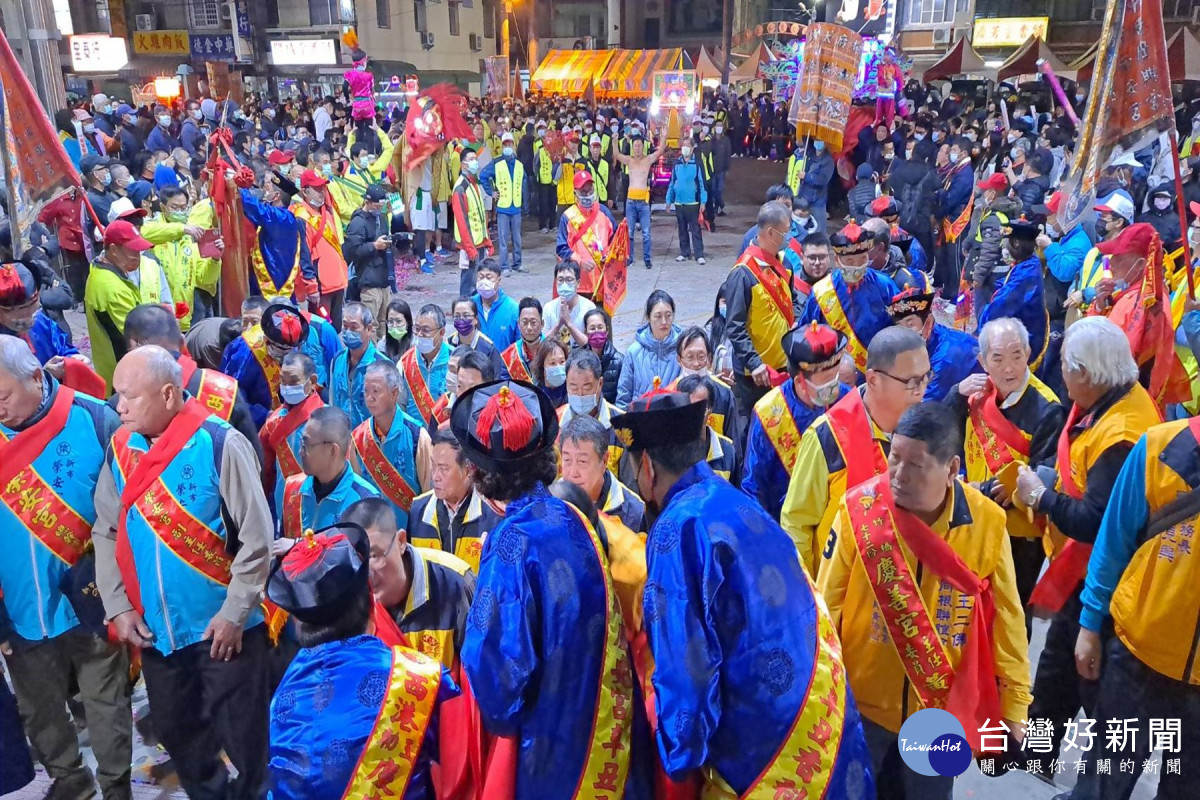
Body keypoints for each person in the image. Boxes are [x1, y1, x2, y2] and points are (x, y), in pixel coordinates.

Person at [609, 390, 873, 798]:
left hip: (763, 752)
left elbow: (687, 662)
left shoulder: (677, 527)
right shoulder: (731, 498)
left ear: (645, 465)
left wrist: (676, 757)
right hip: (824, 710)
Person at [817, 402, 1031, 795]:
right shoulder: (858, 512)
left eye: (914, 465)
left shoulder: (987, 523)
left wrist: (1016, 706)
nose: (897, 474)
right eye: (893, 458)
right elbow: (824, 614)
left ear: (951, 469)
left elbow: (1007, 620)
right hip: (864, 709)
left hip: (938, 712)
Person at [456, 380, 652, 799]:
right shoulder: (572, 514)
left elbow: (495, 677)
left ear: (484, 472)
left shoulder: (510, 544)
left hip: (551, 751)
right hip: (608, 730)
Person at [94, 346, 272, 800]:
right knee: (178, 733)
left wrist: (234, 614)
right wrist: (117, 605)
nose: (119, 407)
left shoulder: (218, 444)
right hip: (158, 635)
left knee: (248, 744)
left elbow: (257, 539)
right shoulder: (121, 449)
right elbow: (108, 530)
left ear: (169, 394)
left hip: (223, 632)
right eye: (117, 396)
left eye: (130, 397)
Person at [1012, 317, 1160, 764]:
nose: (1060, 375)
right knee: (1059, 666)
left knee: (1085, 674)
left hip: (1105, 573)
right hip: (1085, 568)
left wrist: (1041, 497)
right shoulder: (1105, 402)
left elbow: (1097, 521)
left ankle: (1101, 779)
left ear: (1088, 374)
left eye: (1065, 366)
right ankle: (1037, 755)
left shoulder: (1123, 434)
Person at [0, 336, 132, 800]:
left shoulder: (96, 419)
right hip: (20, 610)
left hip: (94, 600)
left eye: (2, 397)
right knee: (39, 709)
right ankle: (70, 780)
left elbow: (130, 512)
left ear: (37, 377)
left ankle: (117, 786)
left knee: (107, 703)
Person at [264, 521, 456, 800]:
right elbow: (458, 766)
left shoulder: (284, 695)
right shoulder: (421, 680)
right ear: (370, 601)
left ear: (299, 623)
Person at [1068, 412, 1200, 798]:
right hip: (1137, 655)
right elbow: (1114, 542)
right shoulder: (1161, 446)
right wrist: (1090, 625)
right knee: (1104, 784)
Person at [942, 317, 1064, 628]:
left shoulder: (1047, 407)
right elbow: (942, 436)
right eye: (997, 358)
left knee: (1010, 616)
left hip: (1018, 533)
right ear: (982, 360)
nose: (1009, 368)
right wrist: (955, 395)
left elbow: (1044, 472)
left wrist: (984, 491)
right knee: (968, 614)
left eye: (1017, 356)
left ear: (1029, 353)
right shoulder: (974, 393)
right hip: (972, 523)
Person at [781, 326, 930, 574]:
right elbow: (797, 524)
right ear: (873, 379)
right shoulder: (827, 438)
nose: (921, 389)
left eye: (926, 377)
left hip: (908, 590)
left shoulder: (926, 429)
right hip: (845, 590)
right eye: (911, 381)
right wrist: (810, 593)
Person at [121, 303, 260, 461]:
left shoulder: (122, 403)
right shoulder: (225, 390)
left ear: (132, 347)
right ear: (182, 341)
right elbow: (253, 460)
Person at [743, 322, 849, 520]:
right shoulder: (768, 413)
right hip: (786, 523)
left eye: (834, 377)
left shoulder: (845, 398)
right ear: (800, 380)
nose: (833, 385)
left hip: (837, 520)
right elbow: (754, 486)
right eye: (826, 380)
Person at [802, 221, 900, 379]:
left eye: (862, 260)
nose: (857, 266)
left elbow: (899, 326)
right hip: (835, 374)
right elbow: (807, 333)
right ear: (837, 260)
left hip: (877, 371)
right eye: (850, 262)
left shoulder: (884, 285)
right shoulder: (822, 291)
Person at [350, 360, 433, 529]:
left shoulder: (418, 436)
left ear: (394, 393)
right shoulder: (358, 438)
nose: (369, 398)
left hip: (409, 533)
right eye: (366, 391)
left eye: (376, 391)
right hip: (371, 534)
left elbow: (429, 495)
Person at [408, 428, 504, 572]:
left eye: (443, 468)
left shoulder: (493, 515)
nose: (435, 476)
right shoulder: (418, 510)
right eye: (433, 465)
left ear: (468, 470)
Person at [280, 406, 380, 541]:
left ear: (332, 450)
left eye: (306, 444)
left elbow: (363, 559)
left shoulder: (365, 501)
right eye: (301, 443)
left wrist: (297, 544)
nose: (301, 452)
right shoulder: (293, 488)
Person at [83, 220, 160, 390]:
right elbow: (139, 338)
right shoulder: (112, 288)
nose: (137, 257)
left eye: (139, 252)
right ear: (114, 250)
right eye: (132, 251)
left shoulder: (104, 270)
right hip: (122, 377)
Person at [975, 219, 1049, 372]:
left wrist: (981, 303)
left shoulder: (1025, 276)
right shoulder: (1028, 263)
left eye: (1006, 242)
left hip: (1026, 343)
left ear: (1015, 243)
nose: (1004, 247)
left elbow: (994, 313)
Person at [221, 302, 309, 428]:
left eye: (289, 349)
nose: (285, 354)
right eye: (281, 349)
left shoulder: (291, 344)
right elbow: (233, 396)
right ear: (267, 340)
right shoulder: (243, 353)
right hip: (251, 421)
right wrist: (264, 416)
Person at [886, 288, 980, 402]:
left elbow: (925, 405)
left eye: (910, 324)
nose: (905, 332)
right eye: (900, 327)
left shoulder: (946, 356)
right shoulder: (930, 339)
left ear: (929, 322)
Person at [260, 351, 324, 516]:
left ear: (313, 381)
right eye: (283, 381)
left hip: (319, 505)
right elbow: (265, 469)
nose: (287, 388)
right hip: (284, 505)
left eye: (294, 381)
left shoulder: (327, 419)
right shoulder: (273, 421)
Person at [559, 414, 646, 533]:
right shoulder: (548, 502)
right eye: (567, 460)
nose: (573, 473)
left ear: (604, 461)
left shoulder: (634, 512)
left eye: (582, 461)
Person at [291, 169, 349, 328]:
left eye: (322, 189)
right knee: (322, 327)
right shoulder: (302, 217)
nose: (321, 193)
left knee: (335, 328)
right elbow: (304, 256)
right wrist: (311, 288)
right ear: (305, 191)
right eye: (316, 189)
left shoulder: (326, 213)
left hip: (338, 282)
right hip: (321, 288)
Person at [341, 184, 396, 332]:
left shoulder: (381, 218)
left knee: (385, 322)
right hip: (368, 280)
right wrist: (374, 246)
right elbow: (352, 251)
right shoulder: (358, 222)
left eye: (381, 207)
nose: (379, 210)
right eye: (377, 207)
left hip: (384, 278)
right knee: (371, 325)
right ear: (368, 202)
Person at [556, 171, 618, 299]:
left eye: (590, 191)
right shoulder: (568, 217)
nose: (588, 195)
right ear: (575, 193)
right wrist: (580, 261)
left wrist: (610, 256)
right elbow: (561, 249)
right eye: (583, 192)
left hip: (603, 282)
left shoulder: (604, 212)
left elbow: (616, 240)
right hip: (580, 284)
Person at [617, 290, 682, 407]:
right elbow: (624, 394)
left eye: (668, 316)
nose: (664, 322)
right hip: (641, 420)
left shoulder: (682, 349)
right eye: (658, 316)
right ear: (648, 317)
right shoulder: (634, 352)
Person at [330, 302, 390, 428]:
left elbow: (389, 411)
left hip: (369, 439)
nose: (347, 332)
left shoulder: (382, 365)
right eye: (345, 326)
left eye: (353, 328)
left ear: (369, 329)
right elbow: (333, 400)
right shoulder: (337, 360)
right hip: (342, 436)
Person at [615, 131, 667, 269]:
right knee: (630, 232)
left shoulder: (647, 160)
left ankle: (647, 259)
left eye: (639, 146)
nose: (637, 148)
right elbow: (617, 155)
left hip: (643, 202)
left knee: (646, 233)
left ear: (643, 147)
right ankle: (629, 258)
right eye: (635, 146)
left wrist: (664, 137)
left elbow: (660, 151)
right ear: (632, 147)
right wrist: (615, 142)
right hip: (631, 201)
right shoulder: (630, 160)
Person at [675, 374, 740, 484]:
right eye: (688, 407)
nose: (694, 414)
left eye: (700, 408)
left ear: (710, 409)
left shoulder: (727, 450)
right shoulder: (668, 451)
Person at [400, 303, 453, 427]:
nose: (419, 334)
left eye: (426, 330)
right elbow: (399, 406)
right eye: (417, 329)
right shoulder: (405, 362)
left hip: (446, 436)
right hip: (415, 436)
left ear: (441, 332)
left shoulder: (455, 360)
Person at [480, 130, 525, 275]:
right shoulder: (497, 162)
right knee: (504, 239)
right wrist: (491, 192)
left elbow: (523, 182)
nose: (508, 146)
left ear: (513, 145)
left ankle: (518, 264)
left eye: (510, 144)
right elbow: (483, 176)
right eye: (505, 144)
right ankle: (505, 266)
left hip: (516, 206)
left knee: (517, 238)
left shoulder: (519, 164)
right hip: (503, 207)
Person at [933, 137, 975, 291]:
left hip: (957, 219)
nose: (951, 153)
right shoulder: (957, 168)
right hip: (949, 217)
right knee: (947, 256)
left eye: (954, 151)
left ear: (963, 153)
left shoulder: (965, 173)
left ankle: (954, 293)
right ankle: (948, 288)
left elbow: (953, 198)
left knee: (955, 258)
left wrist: (938, 210)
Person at [451, 148, 493, 298]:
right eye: (471, 159)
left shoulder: (473, 184)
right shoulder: (461, 188)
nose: (475, 162)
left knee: (479, 285)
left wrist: (487, 240)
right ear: (463, 164)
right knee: (468, 287)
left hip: (479, 242)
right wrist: (470, 248)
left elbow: (481, 216)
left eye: (476, 158)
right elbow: (462, 222)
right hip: (470, 246)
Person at [447, 297, 508, 381]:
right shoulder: (448, 343)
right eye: (457, 316)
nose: (461, 320)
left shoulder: (489, 349)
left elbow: (495, 381)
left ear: (475, 319)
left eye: (466, 315)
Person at [666, 141, 707, 264]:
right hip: (679, 203)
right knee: (682, 229)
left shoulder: (697, 164)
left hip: (693, 203)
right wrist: (669, 200)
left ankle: (699, 254)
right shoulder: (677, 163)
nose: (685, 148)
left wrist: (703, 202)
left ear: (692, 148)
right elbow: (672, 183)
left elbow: (702, 184)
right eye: (683, 145)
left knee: (695, 229)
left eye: (688, 146)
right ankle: (684, 252)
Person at [861, 217, 928, 293]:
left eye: (865, 249)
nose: (858, 253)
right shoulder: (855, 273)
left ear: (880, 248)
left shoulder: (906, 284)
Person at [472, 260, 519, 352]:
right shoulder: (470, 305)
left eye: (489, 278)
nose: (484, 282)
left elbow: (519, 344)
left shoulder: (513, 308)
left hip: (503, 364)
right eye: (481, 277)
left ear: (499, 281)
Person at [501, 297, 543, 383]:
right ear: (518, 324)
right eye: (525, 322)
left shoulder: (553, 351)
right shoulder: (508, 356)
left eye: (533, 322)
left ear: (542, 324)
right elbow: (504, 387)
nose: (529, 328)